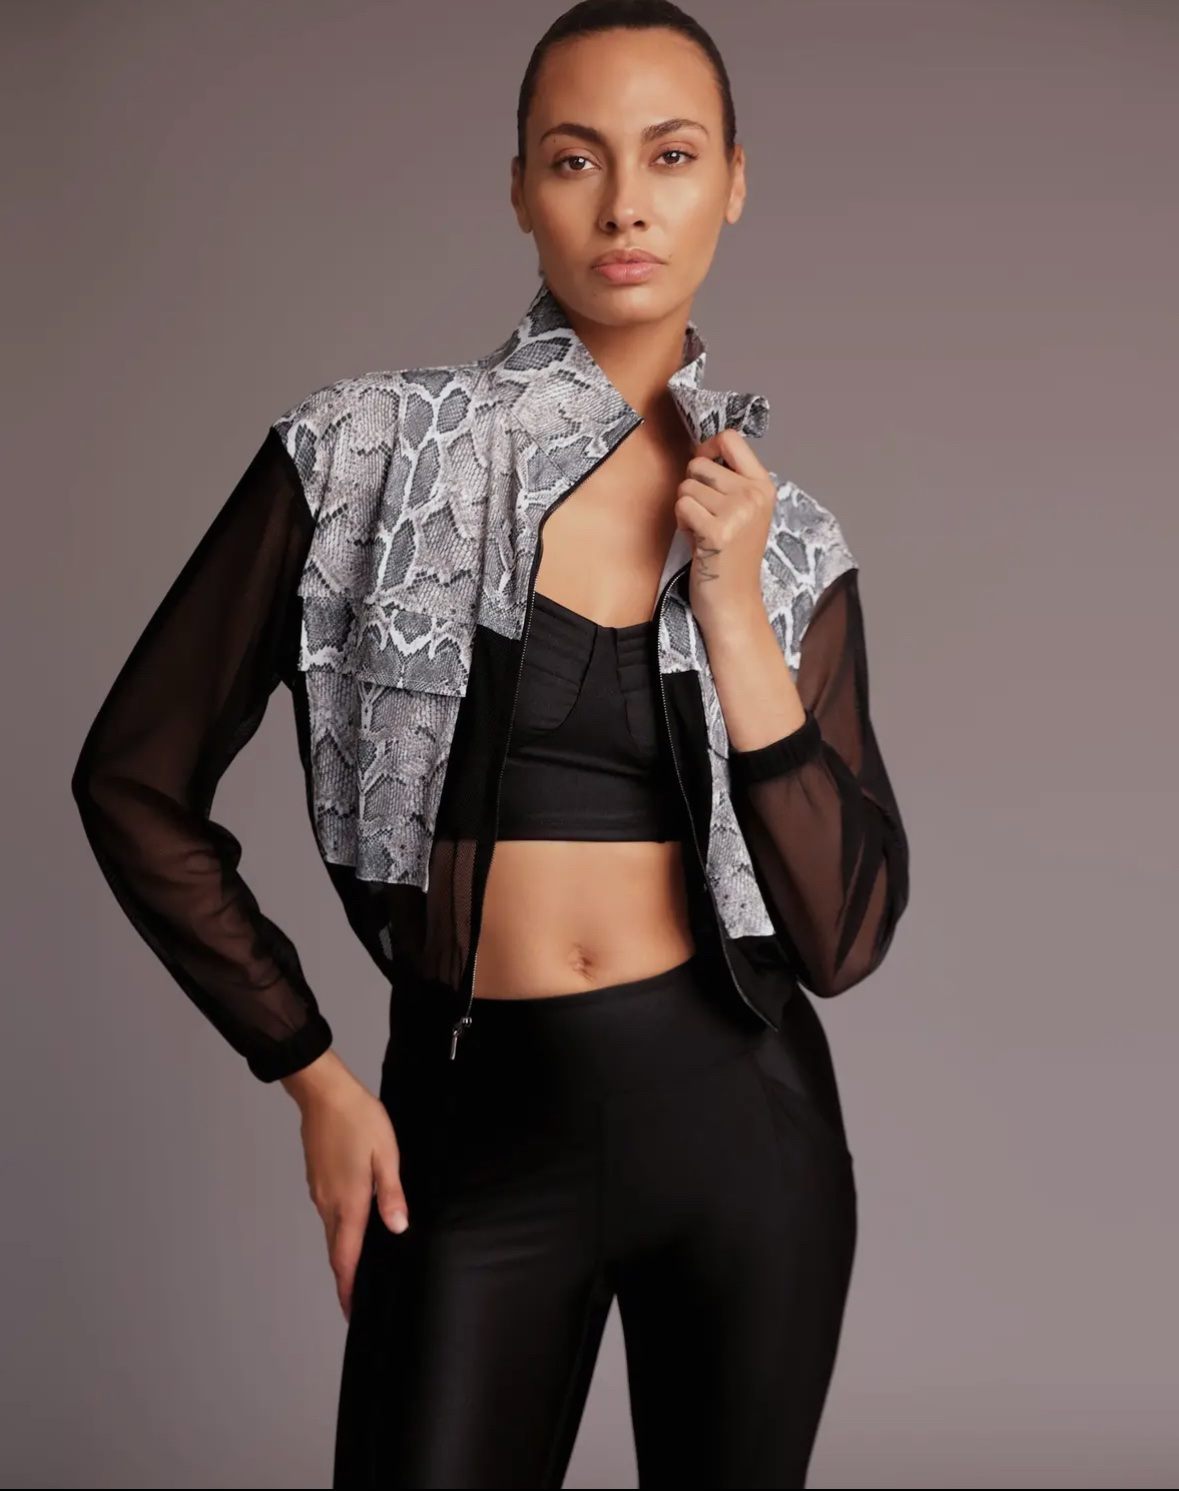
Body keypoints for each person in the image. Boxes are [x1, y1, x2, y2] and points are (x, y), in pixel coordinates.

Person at [71, 1, 911, 1485]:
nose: (625, 203)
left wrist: (729, 613)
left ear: (732, 182)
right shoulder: (362, 451)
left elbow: (841, 936)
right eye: (576, 159)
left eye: (671, 155)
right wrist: (309, 1068)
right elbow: (132, 779)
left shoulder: (790, 544)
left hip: (745, 1128)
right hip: (467, 1130)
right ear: (519, 188)